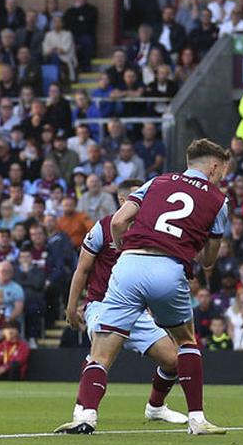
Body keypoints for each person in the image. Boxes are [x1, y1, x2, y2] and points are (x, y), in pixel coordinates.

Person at [55, 138, 230, 436]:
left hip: (128, 266)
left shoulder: (157, 181)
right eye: (223, 170)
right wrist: (194, 247)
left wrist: (127, 250)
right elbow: (209, 260)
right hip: (168, 269)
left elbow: (120, 221)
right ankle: (197, 419)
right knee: (186, 342)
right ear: (213, 166)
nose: (222, 176)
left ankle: (85, 416)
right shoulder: (218, 200)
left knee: (100, 353)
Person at [58, 179, 188, 428]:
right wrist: (71, 307)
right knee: (100, 356)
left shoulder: (150, 229)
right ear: (122, 201)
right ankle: (85, 412)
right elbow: (82, 269)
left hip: (136, 310)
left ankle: (156, 407)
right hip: (102, 304)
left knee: (174, 361)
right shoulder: (103, 227)